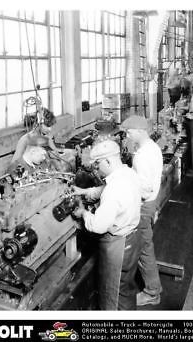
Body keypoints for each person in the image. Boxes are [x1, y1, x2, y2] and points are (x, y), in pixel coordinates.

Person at [72, 139, 143, 310]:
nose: (97, 171)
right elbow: (105, 189)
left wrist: (83, 213)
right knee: (124, 289)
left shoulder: (114, 189)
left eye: (97, 166)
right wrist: (84, 192)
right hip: (133, 238)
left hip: (118, 246)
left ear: (108, 161)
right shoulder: (128, 173)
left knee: (111, 295)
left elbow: (98, 226)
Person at [120, 115, 163, 306]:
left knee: (144, 249)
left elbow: (145, 189)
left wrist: (125, 183)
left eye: (129, 132)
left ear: (139, 131)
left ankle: (152, 292)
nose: (127, 136)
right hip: (150, 203)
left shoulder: (144, 155)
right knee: (145, 246)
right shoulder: (150, 147)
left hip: (143, 206)